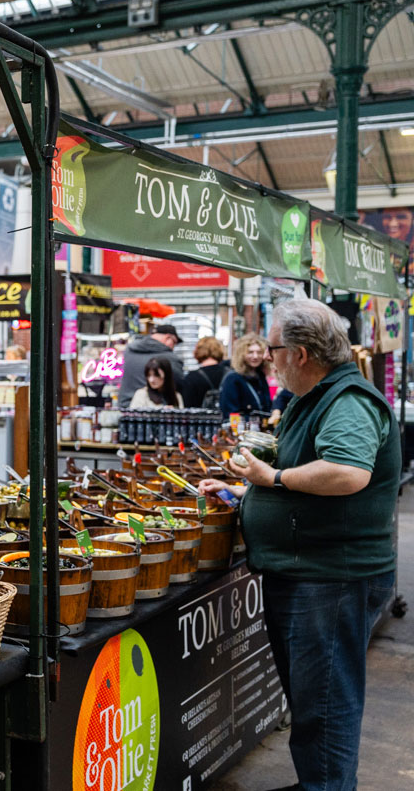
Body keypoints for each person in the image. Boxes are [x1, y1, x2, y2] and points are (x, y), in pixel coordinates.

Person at [199, 299, 397, 791]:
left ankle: (327, 786)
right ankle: (320, 782)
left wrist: (274, 475)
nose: (268, 356)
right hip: (311, 571)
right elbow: (307, 482)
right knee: (313, 700)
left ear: (302, 354)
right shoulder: (317, 397)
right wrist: (245, 493)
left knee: (325, 704)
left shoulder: (347, 400)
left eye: (274, 348)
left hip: (330, 577)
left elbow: (348, 473)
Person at [118, 323, 184, 408]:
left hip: (124, 407)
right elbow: (178, 384)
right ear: (168, 338)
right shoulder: (170, 358)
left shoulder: (129, 350)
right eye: (174, 343)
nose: (173, 348)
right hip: (153, 408)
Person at [220, 333, 273, 418]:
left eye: (259, 352)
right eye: (250, 352)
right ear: (241, 355)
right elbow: (230, 413)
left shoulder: (260, 376)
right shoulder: (233, 379)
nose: (255, 356)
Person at [180, 336, 229, 408]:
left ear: (197, 351)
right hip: (229, 418)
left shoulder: (191, 378)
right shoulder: (231, 374)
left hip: (201, 418)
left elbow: (188, 407)